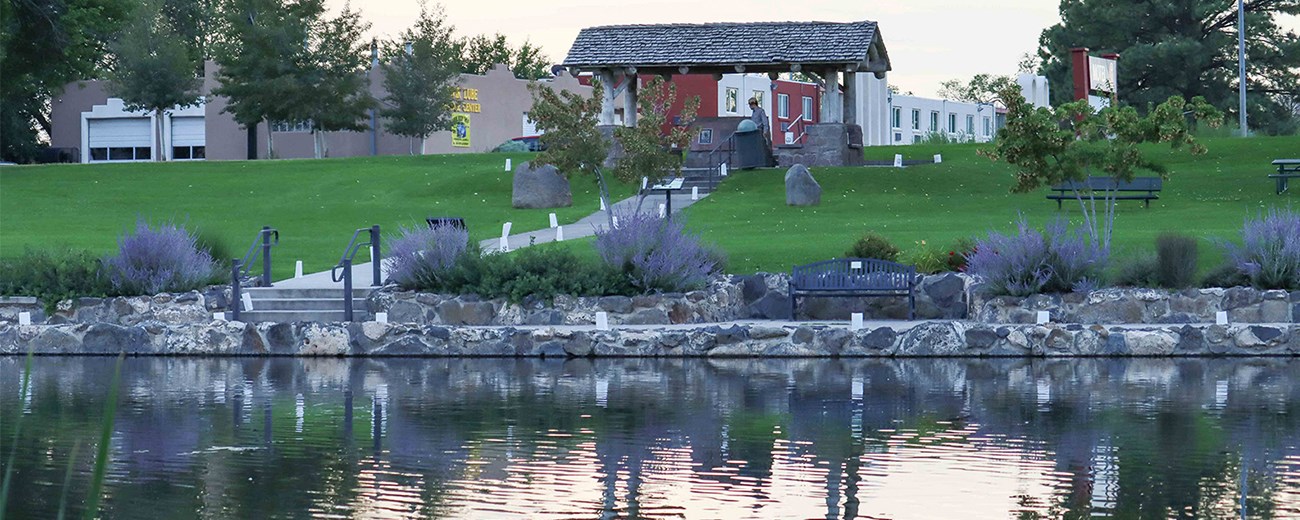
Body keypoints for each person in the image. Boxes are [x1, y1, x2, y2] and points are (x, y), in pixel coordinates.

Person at [748, 97, 774, 165]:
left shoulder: (760, 111)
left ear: (753, 104)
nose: (749, 106)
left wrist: (765, 132)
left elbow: (765, 122)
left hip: (760, 131)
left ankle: (768, 162)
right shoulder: (753, 113)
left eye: (750, 104)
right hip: (754, 132)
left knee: (763, 147)